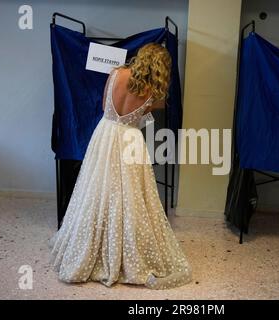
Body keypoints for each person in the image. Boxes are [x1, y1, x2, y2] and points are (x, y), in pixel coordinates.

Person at [49, 43, 192, 290]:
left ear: (141, 57)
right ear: (161, 68)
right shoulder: (153, 93)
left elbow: (105, 108)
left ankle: (90, 245)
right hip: (130, 139)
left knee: (96, 189)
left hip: (105, 135)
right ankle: (124, 248)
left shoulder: (116, 73)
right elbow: (142, 117)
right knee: (130, 196)